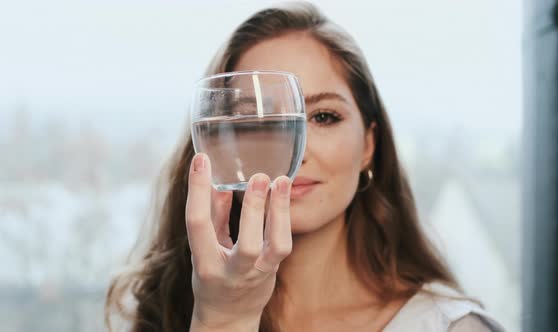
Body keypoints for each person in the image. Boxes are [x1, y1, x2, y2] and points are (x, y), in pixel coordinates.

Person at [105, 2, 505, 331]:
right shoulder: (163, 312)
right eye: (259, 120)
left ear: (369, 145)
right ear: (217, 139)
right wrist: (223, 319)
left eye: (324, 117)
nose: (294, 150)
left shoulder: (450, 327)